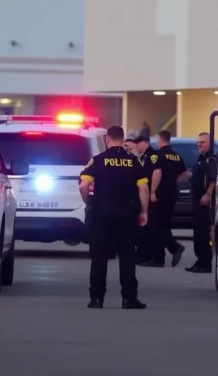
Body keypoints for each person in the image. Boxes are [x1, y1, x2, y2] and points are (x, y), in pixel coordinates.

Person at [78, 125, 149, 309]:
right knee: (127, 255)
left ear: (107, 139)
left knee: (99, 256)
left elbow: (83, 186)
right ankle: (129, 298)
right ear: (123, 138)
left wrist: (89, 203)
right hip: (127, 212)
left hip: (102, 212)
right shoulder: (134, 161)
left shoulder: (97, 160)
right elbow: (143, 188)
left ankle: (96, 298)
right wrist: (144, 212)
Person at [144, 130, 187, 268]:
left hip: (159, 196)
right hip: (171, 195)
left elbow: (157, 172)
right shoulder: (176, 156)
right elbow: (186, 174)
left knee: (156, 225)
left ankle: (174, 248)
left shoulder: (157, 155)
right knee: (164, 225)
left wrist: (153, 191)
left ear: (159, 139)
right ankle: (159, 259)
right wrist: (174, 182)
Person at [186, 132, 217, 273]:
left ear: (210, 143)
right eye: (198, 142)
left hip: (205, 204)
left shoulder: (211, 160)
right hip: (196, 202)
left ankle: (205, 263)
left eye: (202, 142)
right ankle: (199, 261)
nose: (199, 144)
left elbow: (213, 179)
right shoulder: (200, 159)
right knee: (197, 234)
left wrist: (208, 194)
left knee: (204, 234)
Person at [133, 130, 157, 265]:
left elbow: (156, 173)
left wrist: (152, 191)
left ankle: (149, 256)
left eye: (138, 143)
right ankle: (142, 254)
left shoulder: (152, 156)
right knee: (143, 228)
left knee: (149, 228)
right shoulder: (143, 156)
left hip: (149, 196)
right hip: (143, 195)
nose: (136, 145)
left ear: (146, 143)